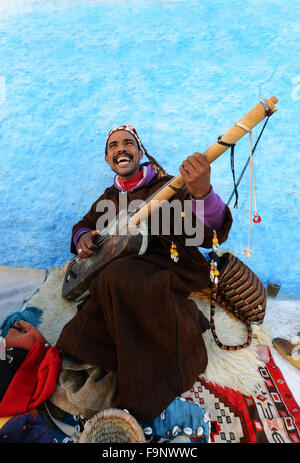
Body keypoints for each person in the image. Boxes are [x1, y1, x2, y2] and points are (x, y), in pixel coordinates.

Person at [56, 124, 233, 423]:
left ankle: (145, 394)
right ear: (107, 158)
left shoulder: (168, 187)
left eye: (128, 143)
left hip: (166, 268)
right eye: (113, 145)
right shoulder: (108, 198)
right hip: (119, 277)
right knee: (107, 285)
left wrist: (202, 192)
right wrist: (83, 238)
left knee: (115, 280)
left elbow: (211, 233)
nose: (120, 148)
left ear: (140, 152)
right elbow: (83, 225)